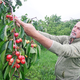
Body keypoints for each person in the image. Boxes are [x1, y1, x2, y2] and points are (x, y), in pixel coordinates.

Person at [15, 18, 80, 80]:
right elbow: (52, 38)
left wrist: (34, 34)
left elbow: (63, 50)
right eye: (74, 27)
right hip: (58, 78)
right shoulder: (68, 39)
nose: (74, 29)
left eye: (79, 29)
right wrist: (33, 31)